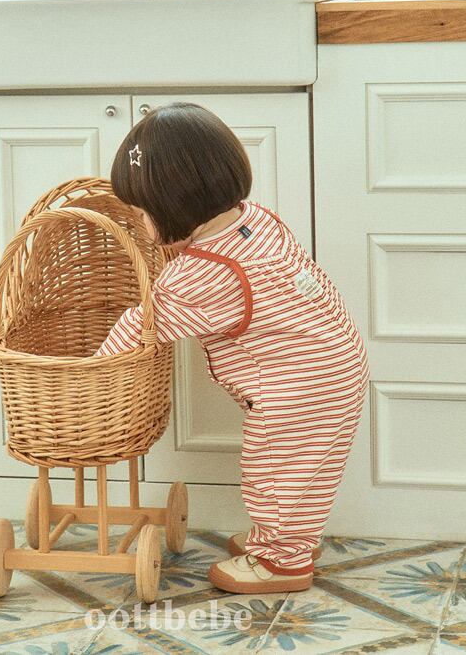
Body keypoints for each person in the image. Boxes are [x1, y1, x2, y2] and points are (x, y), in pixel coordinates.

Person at [95, 102, 369, 595]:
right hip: (332, 359)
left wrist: (93, 368)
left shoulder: (200, 274)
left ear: (175, 207)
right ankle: (285, 541)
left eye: (141, 213)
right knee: (300, 469)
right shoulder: (254, 220)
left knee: (276, 471)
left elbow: (144, 326)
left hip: (299, 384)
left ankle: (282, 562)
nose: (137, 223)